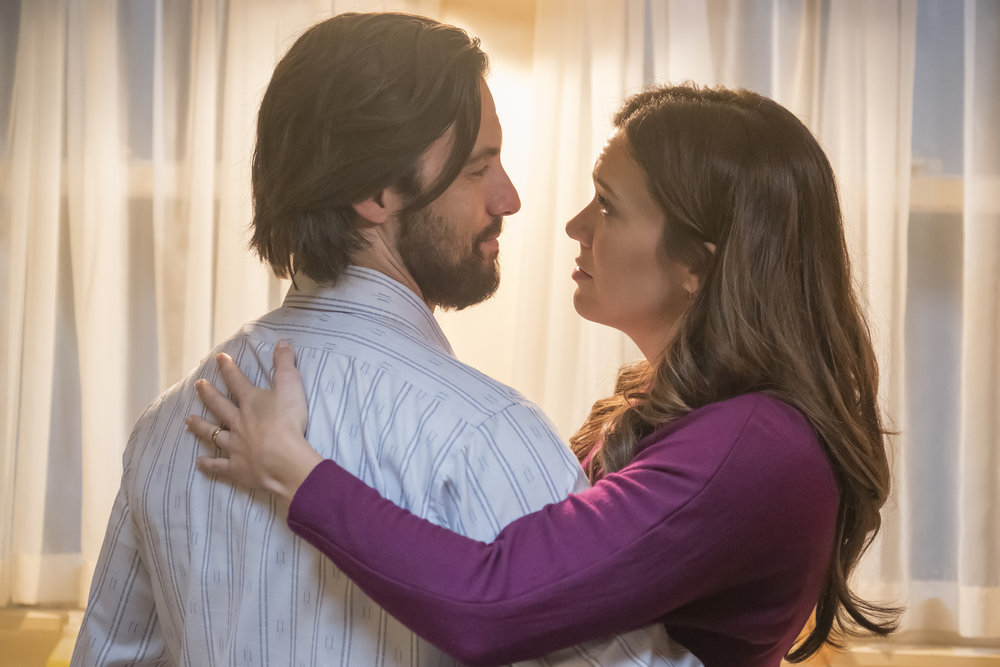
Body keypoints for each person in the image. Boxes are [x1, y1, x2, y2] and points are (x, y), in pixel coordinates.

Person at [188, 84, 902, 667]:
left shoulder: (753, 447)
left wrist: (296, 470)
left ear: (697, 263)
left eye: (608, 206)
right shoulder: (694, 419)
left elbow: (493, 601)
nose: (575, 225)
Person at [73, 12, 696, 667]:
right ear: (375, 191)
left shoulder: (170, 427)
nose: (509, 198)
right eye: (477, 169)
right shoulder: (485, 434)